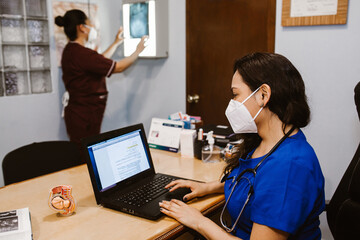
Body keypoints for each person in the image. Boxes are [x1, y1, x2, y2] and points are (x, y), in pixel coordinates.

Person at [159, 53, 325, 239]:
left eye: (236, 94)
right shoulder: (267, 142)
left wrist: (199, 221)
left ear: (263, 95)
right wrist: (208, 187)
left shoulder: (288, 166)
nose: (232, 104)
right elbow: (253, 182)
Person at [55, 9, 147, 149]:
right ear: (82, 28)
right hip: (84, 115)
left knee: (82, 152)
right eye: (89, 24)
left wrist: (116, 43)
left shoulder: (71, 50)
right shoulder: (81, 53)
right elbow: (119, 67)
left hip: (80, 113)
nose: (92, 28)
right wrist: (138, 51)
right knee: (84, 155)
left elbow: (99, 62)